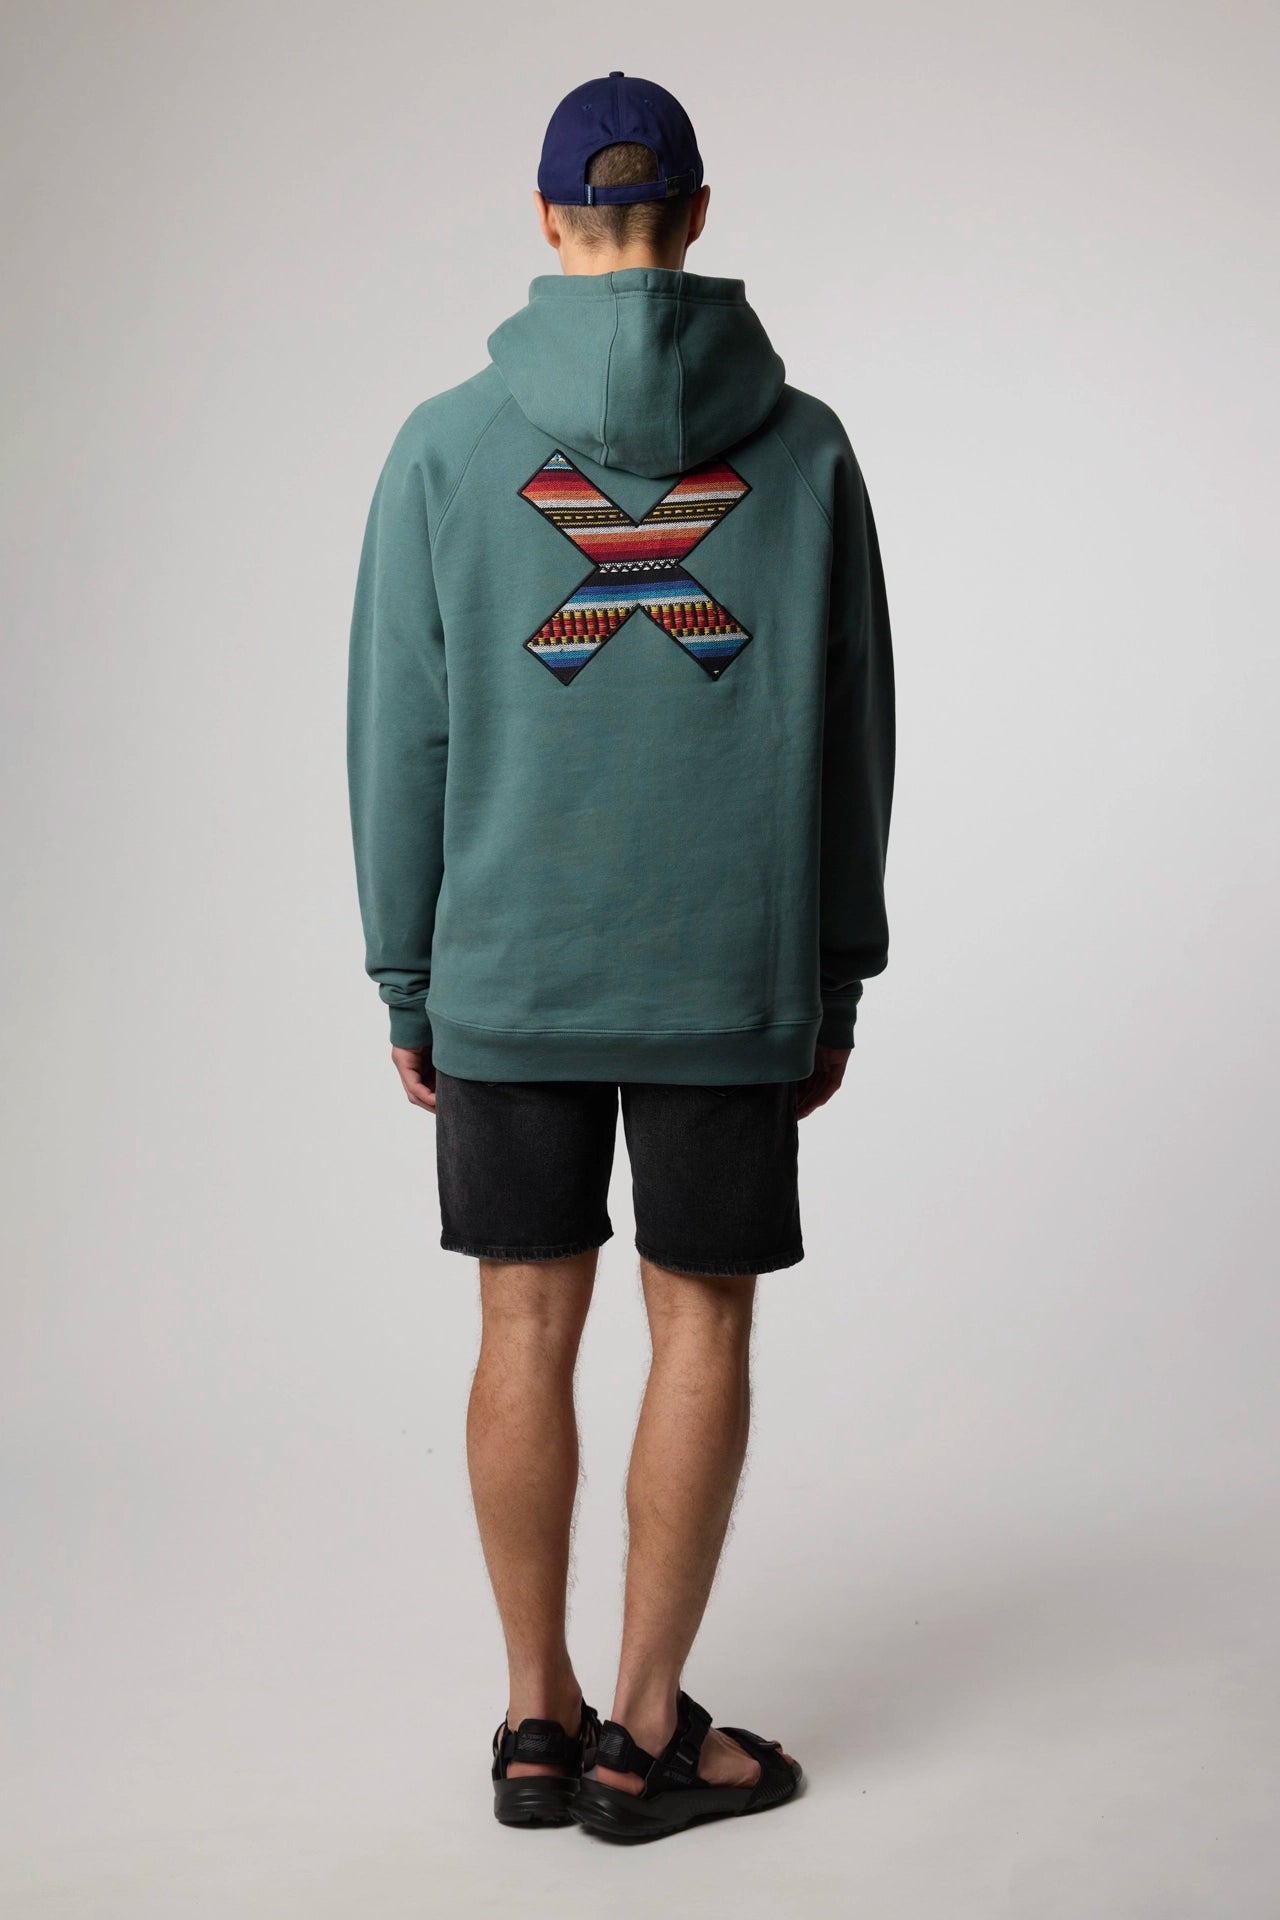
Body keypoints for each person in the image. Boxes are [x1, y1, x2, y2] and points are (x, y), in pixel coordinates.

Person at [346, 70, 895, 1842]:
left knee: (522, 1319)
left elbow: (400, 736)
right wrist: (837, 967)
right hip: (725, 965)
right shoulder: (806, 452)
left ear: (546, 220)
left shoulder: (444, 447)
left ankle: (536, 1716)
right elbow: (855, 735)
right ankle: (643, 1736)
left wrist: (410, 977)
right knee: (699, 1323)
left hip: (508, 963)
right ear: (701, 218)